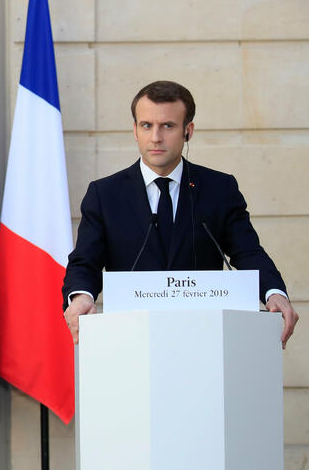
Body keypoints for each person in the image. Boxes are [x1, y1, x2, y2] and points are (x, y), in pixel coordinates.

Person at [62, 81, 297, 348]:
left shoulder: (219, 189)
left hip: (204, 342)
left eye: (168, 126)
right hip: (131, 344)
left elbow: (247, 252)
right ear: (135, 130)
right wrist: (81, 295)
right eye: (146, 125)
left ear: (188, 131)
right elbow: (85, 262)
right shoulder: (105, 194)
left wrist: (273, 292)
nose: (155, 138)